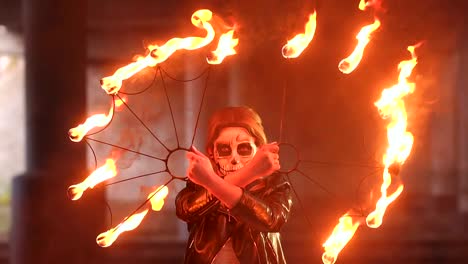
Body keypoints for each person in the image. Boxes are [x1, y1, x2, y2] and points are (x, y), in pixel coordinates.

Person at [175, 106, 293, 264]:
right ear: (211, 152)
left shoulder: (274, 183)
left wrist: (211, 182)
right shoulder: (199, 183)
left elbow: (271, 220)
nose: (234, 159)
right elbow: (186, 210)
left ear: (258, 149)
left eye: (244, 148)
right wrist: (249, 172)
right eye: (224, 149)